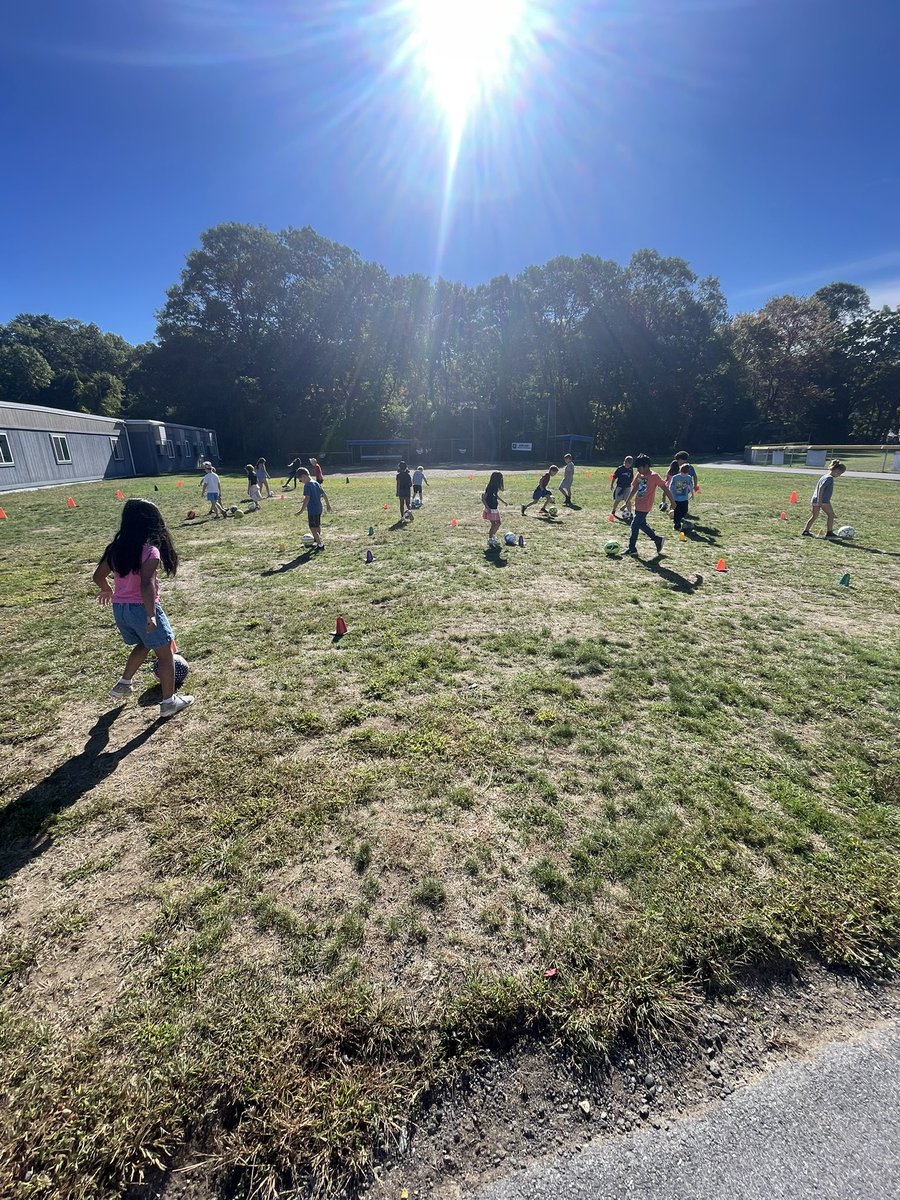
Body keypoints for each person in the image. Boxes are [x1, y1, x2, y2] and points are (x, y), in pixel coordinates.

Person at [93, 499, 195, 718]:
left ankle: (124, 682)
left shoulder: (115, 549)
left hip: (121, 609)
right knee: (165, 654)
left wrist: (107, 590)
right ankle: (169, 703)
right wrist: (151, 615)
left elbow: (98, 575)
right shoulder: (150, 552)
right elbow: (145, 584)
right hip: (143, 609)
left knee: (144, 643)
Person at [623, 455, 673, 557]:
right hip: (638, 504)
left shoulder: (654, 476)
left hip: (645, 506)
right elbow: (634, 490)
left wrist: (673, 502)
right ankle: (658, 540)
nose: (638, 470)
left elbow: (665, 488)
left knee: (634, 525)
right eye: (637, 468)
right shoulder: (639, 475)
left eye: (640, 468)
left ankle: (632, 548)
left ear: (646, 466)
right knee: (642, 525)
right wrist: (626, 502)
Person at [802, 459, 846, 538]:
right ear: (835, 470)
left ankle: (806, 531)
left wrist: (818, 499)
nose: (839, 475)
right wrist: (820, 500)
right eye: (839, 473)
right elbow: (822, 488)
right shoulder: (829, 478)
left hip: (815, 499)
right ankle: (829, 532)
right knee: (831, 515)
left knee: (814, 516)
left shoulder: (824, 476)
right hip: (823, 500)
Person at [298, 466, 331, 551]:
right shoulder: (316, 483)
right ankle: (317, 541)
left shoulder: (307, 485)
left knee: (312, 528)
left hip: (312, 510)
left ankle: (320, 545)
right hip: (319, 508)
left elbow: (308, 498)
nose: (301, 482)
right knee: (317, 526)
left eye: (301, 480)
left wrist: (301, 510)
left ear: (304, 476)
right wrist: (328, 505)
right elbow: (324, 494)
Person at [481, 471, 509, 549]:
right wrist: (487, 507)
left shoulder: (495, 487)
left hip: (494, 508)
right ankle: (490, 539)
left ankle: (492, 536)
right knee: (494, 524)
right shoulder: (489, 487)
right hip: (491, 508)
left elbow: (496, 496)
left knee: (498, 523)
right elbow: (483, 498)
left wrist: (503, 501)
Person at [669, 463, 695, 531]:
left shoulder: (688, 477)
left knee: (685, 510)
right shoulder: (675, 477)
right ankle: (676, 525)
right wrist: (671, 495)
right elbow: (670, 487)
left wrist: (692, 494)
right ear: (681, 470)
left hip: (685, 498)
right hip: (676, 499)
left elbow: (691, 486)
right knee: (678, 512)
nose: (685, 475)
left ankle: (676, 517)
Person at [610, 456, 634, 521]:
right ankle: (613, 510)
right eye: (627, 463)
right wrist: (612, 484)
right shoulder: (620, 469)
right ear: (625, 462)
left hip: (627, 487)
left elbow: (632, 478)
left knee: (628, 501)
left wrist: (630, 483)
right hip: (620, 487)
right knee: (617, 500)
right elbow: (614, 477)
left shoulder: (631, 469)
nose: (628, 465)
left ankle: (630, 513)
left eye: (630, 463)